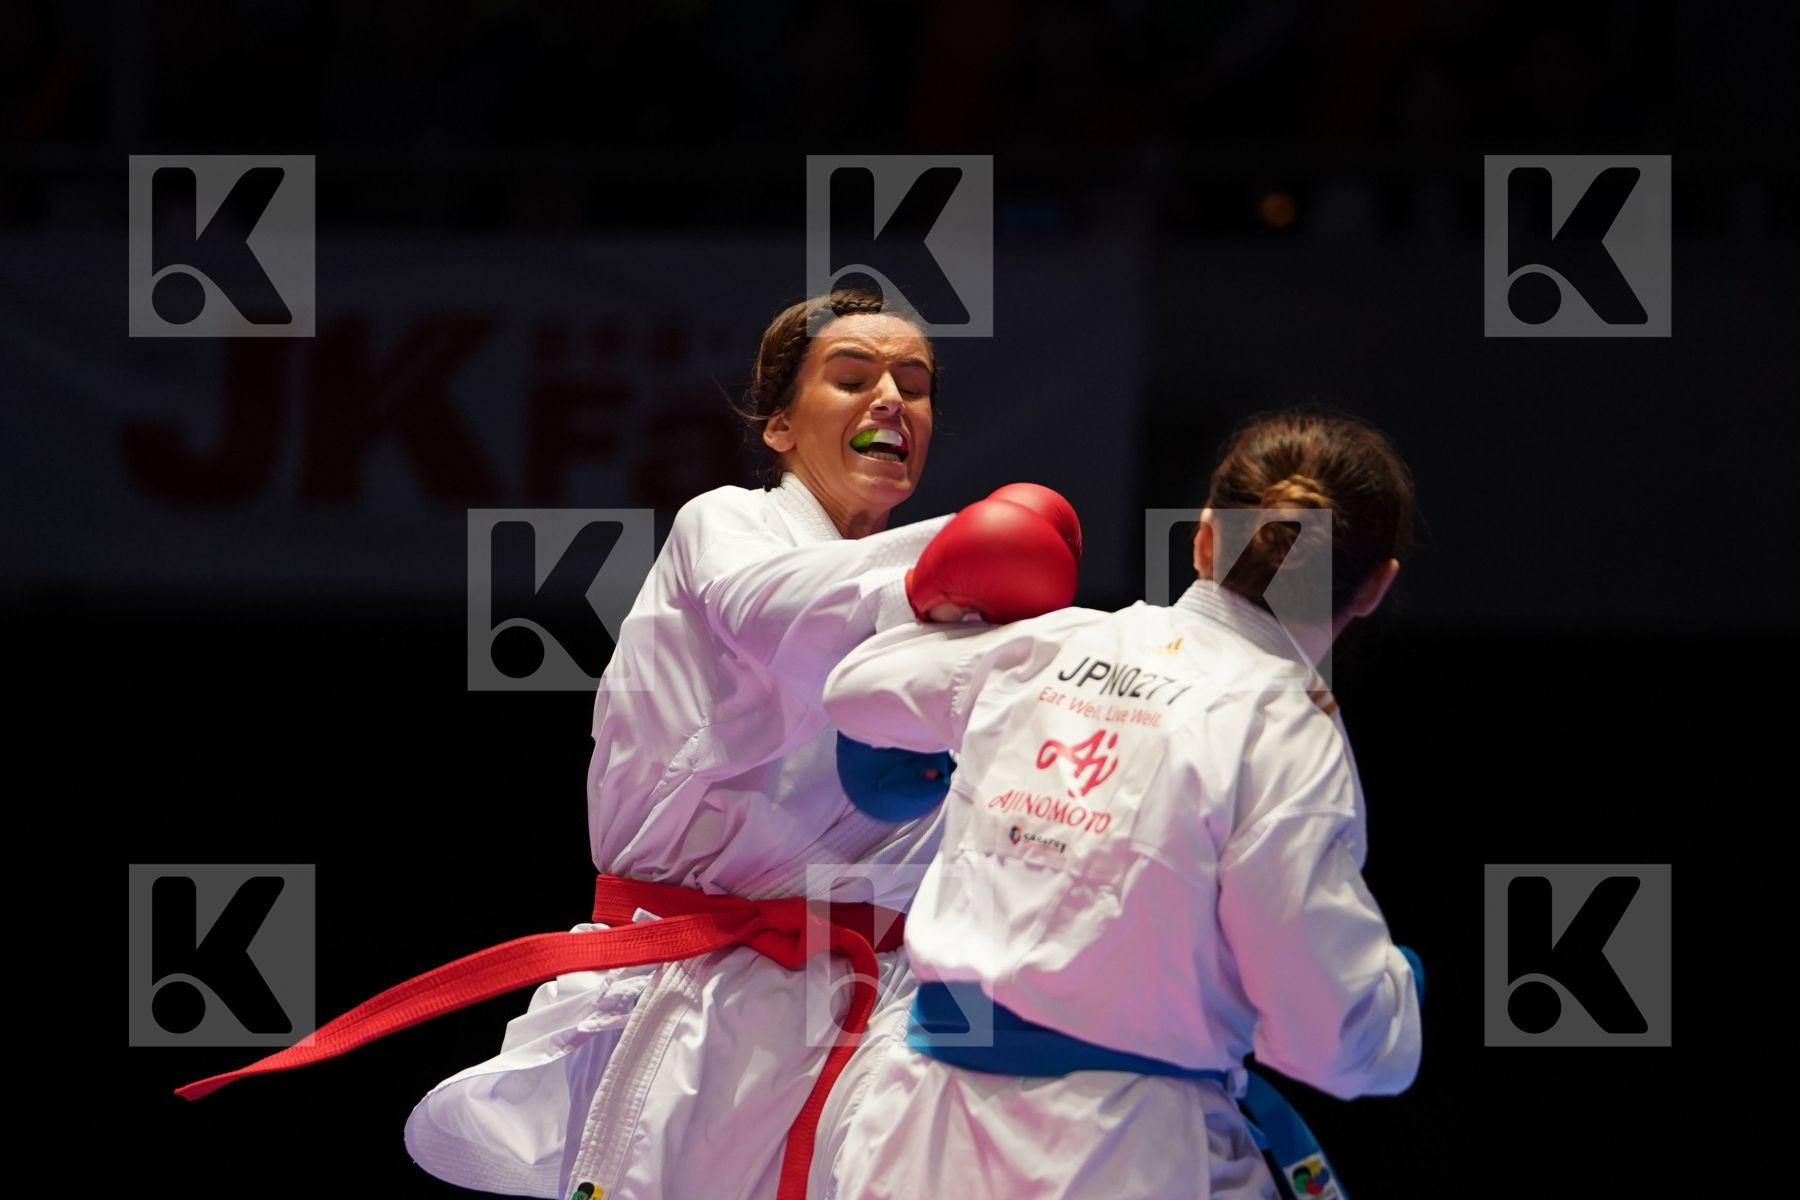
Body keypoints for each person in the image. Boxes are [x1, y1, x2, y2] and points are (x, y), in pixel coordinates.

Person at [176, 288, 1082, 1200]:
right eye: (852, 377)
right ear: (778, 426)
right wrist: (972, 554)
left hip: (884, 1008)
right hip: (703, 1002)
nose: (891, 398)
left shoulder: (959, 617)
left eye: (914, 385)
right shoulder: (729, 529)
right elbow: (779, 615)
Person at [819, 406, 1424, 1200]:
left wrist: (950, 607)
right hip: (1123, 1150)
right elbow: (1330, 1043)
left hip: (919, 1129)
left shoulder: (1051, 642)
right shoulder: (1283, 732)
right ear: (1377, 586)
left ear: (1204, 536)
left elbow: (855, 691)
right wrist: (1387, 992)